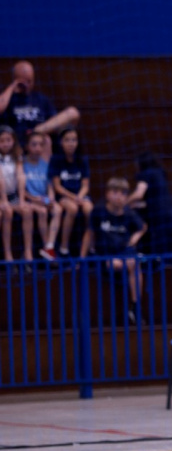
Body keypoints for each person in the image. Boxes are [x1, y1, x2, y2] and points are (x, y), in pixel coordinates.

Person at [81, 177, 147, 324]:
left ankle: (136, 307)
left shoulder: (129, 213)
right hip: (105, 254)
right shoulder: (98, 211)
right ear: (107, 194)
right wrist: (82, 257)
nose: (119, 196)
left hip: (125, 251)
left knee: (135, 264)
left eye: (123, 193)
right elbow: (89, 233)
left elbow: (143, 227)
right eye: (115, 192)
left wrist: (134, 239)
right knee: (116, 265)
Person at [0, 61, 80, 155]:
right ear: (16, 79)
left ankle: (35, 132)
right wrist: (12, 87)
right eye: (24, 81)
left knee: (72, 112)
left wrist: (37, 131)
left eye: (30, 81)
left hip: (40, 142)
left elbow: (65, 118)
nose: (27, 84)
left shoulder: (40, 99)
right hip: (18, 146)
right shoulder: (9, 99)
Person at [48, 128, 91, 257]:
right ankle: (64, 247)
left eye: (74, 140)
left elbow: (85, 185)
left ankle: (91, 247)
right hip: (64, 196)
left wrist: (80, 196)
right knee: (72, 208)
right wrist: (74, 197)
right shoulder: (56, 160)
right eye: (67, 140)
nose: (71, 143)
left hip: (80, 195)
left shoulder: (82, 160)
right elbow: (57, 187)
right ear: (61, 142)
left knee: (90, 210)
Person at [127, 152, 172, 254]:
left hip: (161, 223)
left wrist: (124, 203)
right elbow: (152, 201)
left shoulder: (146, 174)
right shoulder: (160, 173)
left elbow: (139, 194)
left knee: (159, 257)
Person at [19, 132, 61, 260]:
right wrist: (34, 199)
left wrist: (51, 198)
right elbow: (20, 190)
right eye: (34, 144)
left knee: (58, 209)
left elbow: (49, 186)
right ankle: (45, 247)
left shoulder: (45, 164)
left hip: (43, 199)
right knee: (42, 211)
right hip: (30, 200)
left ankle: (49, 245)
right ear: (27, 147)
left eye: (40, 145)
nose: (38, 148)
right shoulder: (22, 164)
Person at [0, 125, 24, 262]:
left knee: (27, 210)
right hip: (1, 197)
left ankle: (27, 252)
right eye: (2, 140)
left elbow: (21, 177)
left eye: (8, 140)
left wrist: (21, 200)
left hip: (13, 196)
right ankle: (8, 254)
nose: (5, 143)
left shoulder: (17, 156)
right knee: (6, 213)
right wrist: (3, 201)